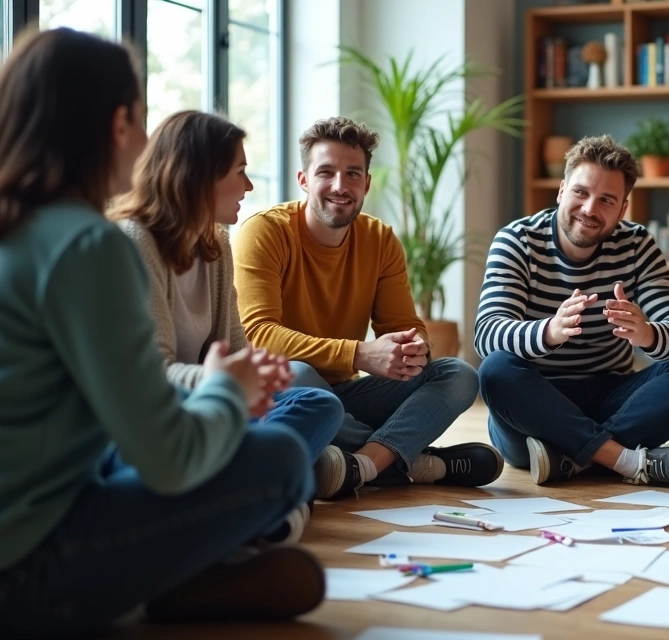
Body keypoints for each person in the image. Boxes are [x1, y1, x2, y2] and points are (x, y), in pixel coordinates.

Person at [0, 28, 322, 637]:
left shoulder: (22, 229)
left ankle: (180, 574)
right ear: (118, 123)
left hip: (45, 505)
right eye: (142, 120)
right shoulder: (90, 245)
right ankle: (172, 579)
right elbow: (170, 459)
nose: (146, 142)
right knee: (279, 459)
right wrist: (224, 389)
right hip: (27, 569)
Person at [233, 116, 502, 500]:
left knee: (458, 374)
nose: (340, 186)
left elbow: (404, 323)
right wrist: (361, 353)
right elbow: (258, 338)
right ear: (304, 180)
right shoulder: (264, 232)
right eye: (326, 172)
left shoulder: (379, 239)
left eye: (353, 174)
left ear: (366, 184)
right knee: (296, 372)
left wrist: (412, 349)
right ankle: (412, 461)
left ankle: (361, 466)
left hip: (347, 397)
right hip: (287, 396)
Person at [108, 110, 345, 519]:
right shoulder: (136, 240)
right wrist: (221, 380)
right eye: (240, 171)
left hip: (213, 405)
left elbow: (235, 347)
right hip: (166, 412)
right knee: (288, 443)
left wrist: (257, 373)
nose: (249, 186)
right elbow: (150, 375)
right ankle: (271, 486)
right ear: (199, 176)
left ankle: (262, 486)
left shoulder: (215, 244)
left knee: (320, 404)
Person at [475, 134, 669, 488]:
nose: (589, 209)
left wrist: (648, 334)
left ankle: (574, 459)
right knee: (495, 369)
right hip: (535, 412)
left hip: (611, 400)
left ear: (622, 209)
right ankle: (619, 458)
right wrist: (549, 332)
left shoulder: (636, 244)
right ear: (561, 190)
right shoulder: (516, 241)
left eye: (606, 200)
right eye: (581, 193)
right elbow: (488, 334)